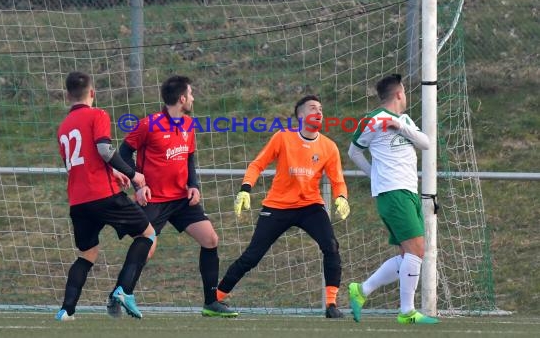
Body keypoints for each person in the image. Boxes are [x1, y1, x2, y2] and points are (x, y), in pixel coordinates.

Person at [216, 95, 351, 318]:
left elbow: (338, 180)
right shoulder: (283, 137)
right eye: (312, 108)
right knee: (252, 256)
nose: (318, 112)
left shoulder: (329, 146)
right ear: (300, 116)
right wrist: (245, 189)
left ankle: (331, 305)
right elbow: (257, 164)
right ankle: (216, 299)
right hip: (277, 206)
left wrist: (342, 197)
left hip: (310, 206)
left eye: (320, 108)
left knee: (331, 246)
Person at [119, 75, 238, 317]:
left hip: (182, 200)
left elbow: (189, 157)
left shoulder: (188, 124)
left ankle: (211, 303)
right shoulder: (148, 124)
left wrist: (193, 184)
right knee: (147, 246)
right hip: (155, 199)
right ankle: (120, 293)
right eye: (191, 94)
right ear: (182, 98)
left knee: (210, 239)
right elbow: (123, 154)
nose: (193, 98)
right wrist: (137, 184)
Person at [55, 71, 155, 321]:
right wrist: (133, 174)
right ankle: (123, 290)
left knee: (87, 254)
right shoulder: (97, 114)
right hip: (103, 195)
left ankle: (66, 310)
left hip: (78, 201)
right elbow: (103, 148)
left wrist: (112, 170)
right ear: (93, 93)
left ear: (68, 95)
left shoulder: (63, 127)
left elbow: (86, 159)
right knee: (148, 234)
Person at [347, 73, 439, 324]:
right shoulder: (372, 120)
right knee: (417, 250)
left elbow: (426, 143)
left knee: (407, 255)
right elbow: (354, 151)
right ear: (399, 93)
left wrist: (401, 127)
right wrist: (373, 175)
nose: (406, 95)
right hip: (392, 191)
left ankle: (361, 290)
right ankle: (407, 311)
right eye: (405, 91)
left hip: (408, 190)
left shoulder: (404, 120)